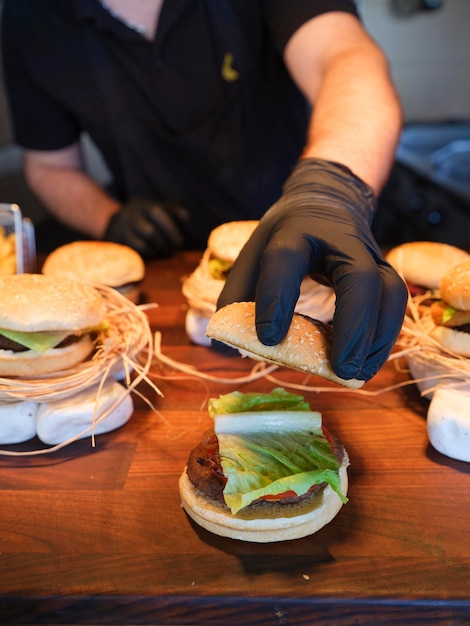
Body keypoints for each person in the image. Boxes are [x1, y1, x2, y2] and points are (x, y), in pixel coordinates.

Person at [1, 0, 407, 382]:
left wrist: (330, 189)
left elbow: (349, 61)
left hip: (317, 246)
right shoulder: (29, 17)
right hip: (163, 276)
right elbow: (50, 167)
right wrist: (108, 217)